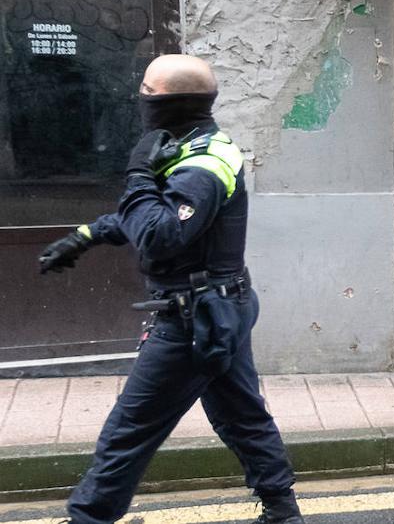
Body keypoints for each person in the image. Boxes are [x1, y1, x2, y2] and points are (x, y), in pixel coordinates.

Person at [37, 54, 303, 524]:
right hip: (221, 305)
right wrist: (87, 235)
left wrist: (137, 175)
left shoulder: (203, 166)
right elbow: (150, 213)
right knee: (241, 414)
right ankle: (282, 511)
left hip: (194, 318)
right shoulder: (187, 146)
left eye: (146, 90)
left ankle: (88, 518)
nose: (139, 96)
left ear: (168, 100)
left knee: (130, 428)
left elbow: (160, 236)